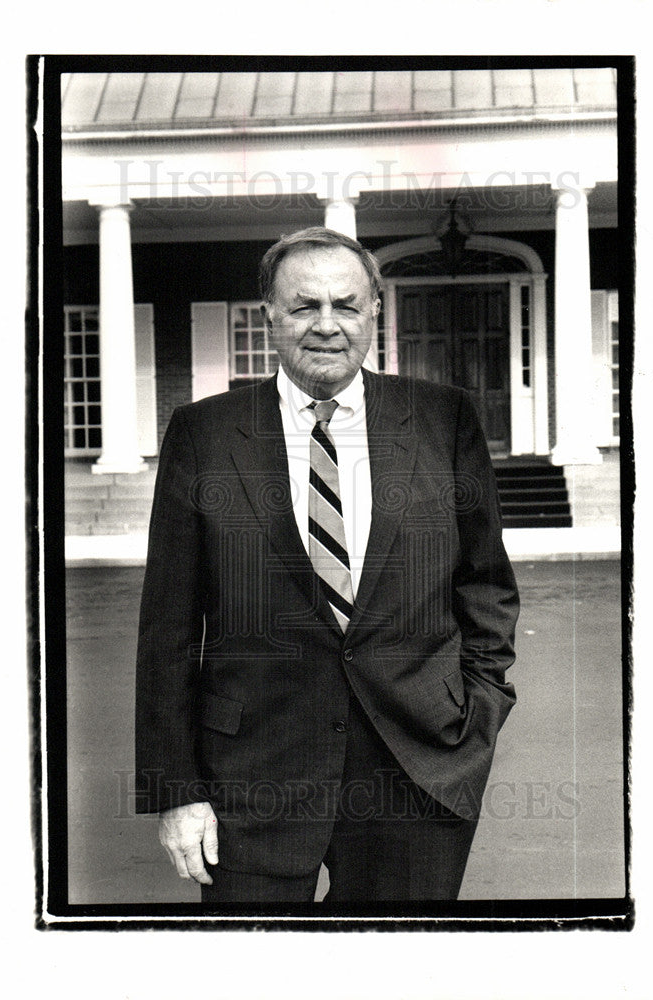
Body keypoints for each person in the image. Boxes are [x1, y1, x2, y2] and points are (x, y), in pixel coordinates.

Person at [135, 227, 519, 903]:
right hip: (248, 778)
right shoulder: (205, 433)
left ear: (374, 311)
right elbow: (166, 629)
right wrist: (178, 789)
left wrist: (475, 718)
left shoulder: (441, 421)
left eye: (345, 305)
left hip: (417, 768)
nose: (325, 325)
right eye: (303, 306)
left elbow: (484, 587)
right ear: (270, 318)